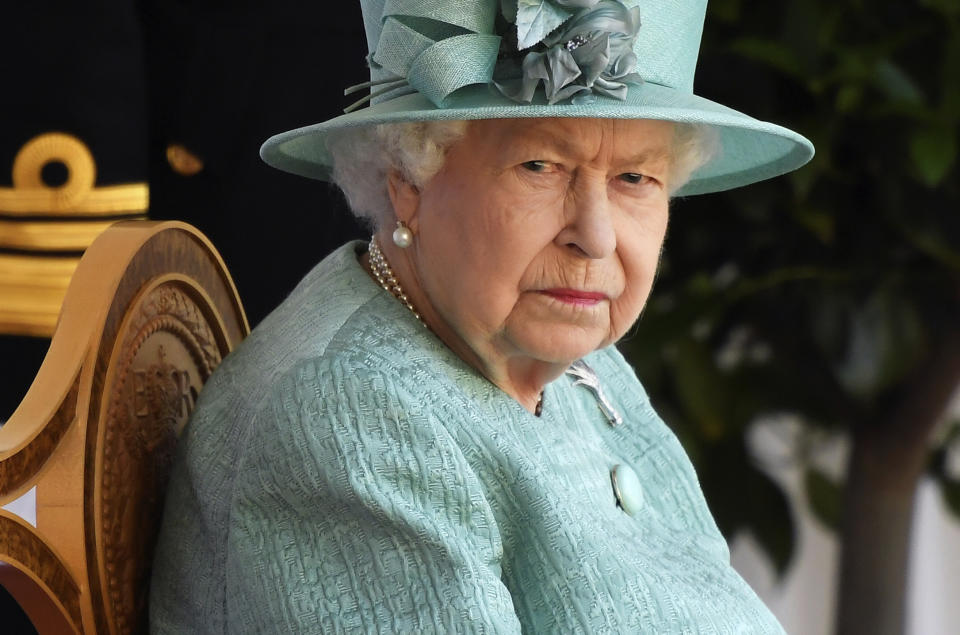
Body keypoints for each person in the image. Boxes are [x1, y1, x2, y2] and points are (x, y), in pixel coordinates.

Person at [150, 0, 813, 632]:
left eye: (635, 178)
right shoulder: (346, 416)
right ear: (407, 178)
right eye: (541, 165)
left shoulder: (566, 351)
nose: (598, 235)